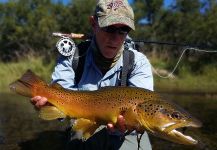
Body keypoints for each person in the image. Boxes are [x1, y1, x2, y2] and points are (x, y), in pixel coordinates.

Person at [31, 0, 153, 149]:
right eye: (109, 28)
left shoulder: (138, 62)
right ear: (94, 24)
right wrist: (48, 104)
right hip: (83, 123)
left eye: (123, 30)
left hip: (125, 132)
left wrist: (132, 124)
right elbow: (60, 97)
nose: (115, 38)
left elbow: (144, 107)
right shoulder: (73, 56)